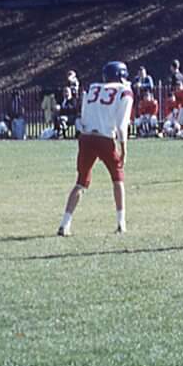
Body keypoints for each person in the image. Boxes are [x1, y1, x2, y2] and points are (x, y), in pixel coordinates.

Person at [58, 61, 134, 236]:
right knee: (118, 179)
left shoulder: (92, 88)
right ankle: (121, 223)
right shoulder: (124, 92)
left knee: (81, 182)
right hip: (105, 138)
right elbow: (122, 125)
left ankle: (65, 223)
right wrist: (124, 149)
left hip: (86, 138)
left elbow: (83, 115)